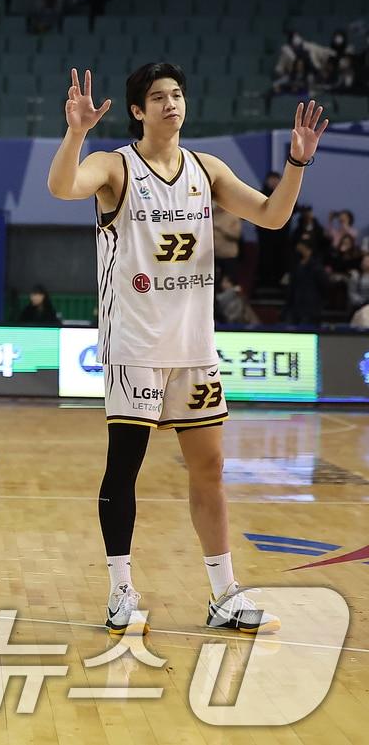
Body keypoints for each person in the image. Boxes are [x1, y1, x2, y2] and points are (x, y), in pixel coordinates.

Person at [46, 60, 327, 637]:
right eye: (158, 97)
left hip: (194, 348)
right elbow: (59, 187)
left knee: (211, 469)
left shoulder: (208, 168)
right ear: (136, 110)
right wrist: (76, 133)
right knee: (124, 468)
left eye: (177, 94)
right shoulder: (114, 167)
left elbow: (273, 217)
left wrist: (296, 163)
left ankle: (224, 592)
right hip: (135, 347)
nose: (171, 104)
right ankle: (120, 589)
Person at [284, 238, 327, 325]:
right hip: (295, 307)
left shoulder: (316, 267)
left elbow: (323, 285)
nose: (298, 250)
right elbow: (292, 286)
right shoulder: (296, 265)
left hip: (311, 308)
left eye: (301, 248)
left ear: (308, 250)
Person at [212, 204, 242, 285]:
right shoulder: (212, 214)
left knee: (229, 281)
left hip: (228, 255)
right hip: (213, 255)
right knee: (214, 282)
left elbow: (236, 235)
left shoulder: (233, 216)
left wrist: (221, 228)